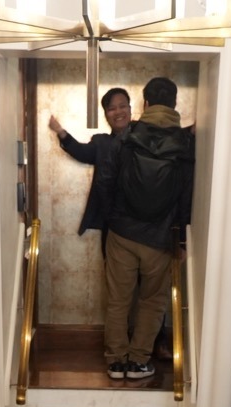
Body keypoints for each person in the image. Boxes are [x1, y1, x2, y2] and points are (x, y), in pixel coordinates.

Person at [104, 76, 194, 381]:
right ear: (175, 103)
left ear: (144, 103)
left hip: (122, 233)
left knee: (118, 300)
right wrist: (181, 240)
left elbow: (109, 181)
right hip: (159, 237)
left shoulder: (127, 135)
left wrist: (113, 220)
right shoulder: (185, 142)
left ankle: (116, 362)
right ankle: (139, 362)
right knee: (153, 301)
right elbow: (185, 196)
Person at [47, 88, 132, 239]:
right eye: (112, 109)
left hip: (142, 224)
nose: (118, 112)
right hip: (112, 224)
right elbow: (80, 151)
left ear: (130, 109)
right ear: (106, 115)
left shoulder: (145, 140)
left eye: (122, 106)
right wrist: (60, 132)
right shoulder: (102, 143)